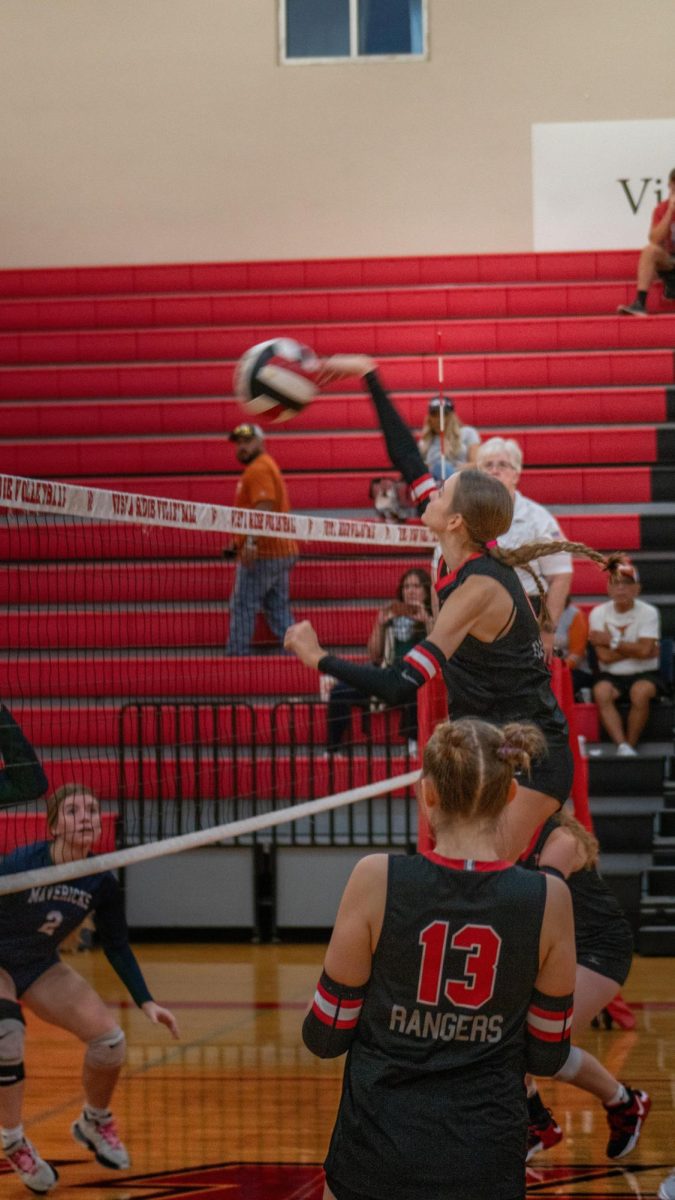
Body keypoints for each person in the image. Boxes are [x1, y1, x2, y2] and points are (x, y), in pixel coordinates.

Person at [286, 355, 626, 859]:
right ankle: (559, 851)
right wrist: (369, 376)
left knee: (485, 868)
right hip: (492, 742)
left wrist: (319, 660)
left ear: (456, 522)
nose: (428, 488)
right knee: (471, 862)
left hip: (530, 751)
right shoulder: (457, 549)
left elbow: (402, 681)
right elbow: (406, 458)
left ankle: (562, 854)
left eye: (440, 491)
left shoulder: (477, 588)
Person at [302, 716, 576, 1200]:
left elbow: (325, 1037)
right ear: (511, 795)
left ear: (426, 794)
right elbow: (548, 1055)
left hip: (375, 1157)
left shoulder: (374, 878)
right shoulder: (549, 898)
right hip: (485, 1160)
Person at [0, 782, 179, 1193]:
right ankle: (13, 1142)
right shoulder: (22, 864)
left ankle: (93, 1122)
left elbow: (116, 943)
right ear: (54, 827)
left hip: (39, 964)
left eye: (92, 811)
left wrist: (146, 1000)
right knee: (7, 1037)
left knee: (110, 1043)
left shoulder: (100, 880)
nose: (86, 818)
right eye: (74, 811)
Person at [520, 811, 650, 1162]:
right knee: (523, 1046)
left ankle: (621, 1104)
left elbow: (540, 907)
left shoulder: (561, 841)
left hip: (599, 950)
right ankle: (545, 1121)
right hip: (558, 950)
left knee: (536, 1045)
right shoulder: (508, 835)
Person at [475, 437, 573, 661]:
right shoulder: (464, 517)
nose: (495, 470)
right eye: (488, 465)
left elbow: (561, 576)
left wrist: (547, 631)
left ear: (516, 474)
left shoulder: (538, 519)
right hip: (476, 616)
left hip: (526, 616)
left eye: (502, 465)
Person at [324, 568, 433, 755]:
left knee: (418, 686)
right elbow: (374, 656)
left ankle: (414, 744)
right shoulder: (392, 618)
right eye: (406, 586)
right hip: (388, 676)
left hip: (415, 679)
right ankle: (333, 749)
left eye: (416, 586)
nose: (411, 591)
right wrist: (380, 625)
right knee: (340, 692)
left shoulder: (432, 616)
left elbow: (438, 650)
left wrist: (426, 621)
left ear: (426, 591)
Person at [224, 422, 298, 656]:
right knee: (277, 609)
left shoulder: (258, 469)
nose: (242, 447)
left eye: (247, 441)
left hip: (264, 554)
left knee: (243, 606)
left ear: (261, 442)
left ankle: (235, 662)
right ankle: (298, 656)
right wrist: (238, 543)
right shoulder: (264, 466)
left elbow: (264, 506)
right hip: (280, 551)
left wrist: (251, 542)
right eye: (239, 443)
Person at [588, 560, 664, 756]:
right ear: (608, 588)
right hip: (611, 675)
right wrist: (636, 649)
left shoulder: (649, 612)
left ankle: (630, 745)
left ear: (637, 588)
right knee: (601, 691)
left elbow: (645, 651)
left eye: (628, 583)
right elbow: (603, 657)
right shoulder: (598, 613)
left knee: (641, 692)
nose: (621, 588)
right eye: (616, 583)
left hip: (645, 672)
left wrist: (610, 641)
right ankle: (621, 745)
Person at [618, 166, 675, 316]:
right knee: (650, 250)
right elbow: (654, 239)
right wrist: (670, 212)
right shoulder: (662, 209)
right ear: (670, 186)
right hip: (669, 260)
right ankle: (640, 303)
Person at [417, 394, 481, 482]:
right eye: (435, 415)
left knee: (443, 467)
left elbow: (477, 464)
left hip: (462, 480)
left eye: (444, 414)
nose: (439, 419)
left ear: (452, 416)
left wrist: (454, 469)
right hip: (435, 484)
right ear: (429, 418)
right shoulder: (425, 442)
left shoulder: (468, 433)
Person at [554, 597, 594, 698]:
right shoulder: (533, 613)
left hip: (573, 669)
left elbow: (577, 655)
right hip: (544, 670)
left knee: (555, 683)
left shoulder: (575, 615)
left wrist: (556, 670)